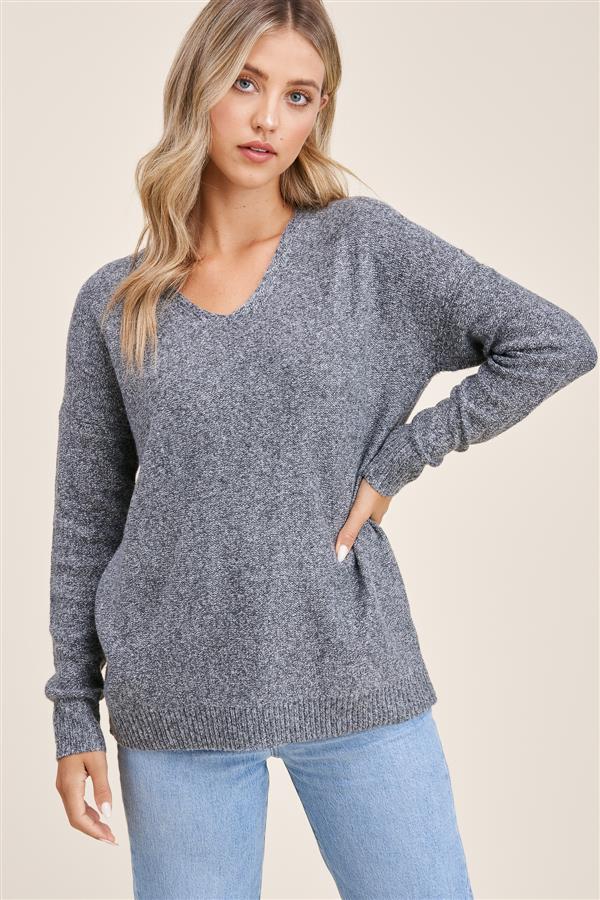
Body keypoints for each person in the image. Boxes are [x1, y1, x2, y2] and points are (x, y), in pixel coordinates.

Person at [44, 1, 597, 898]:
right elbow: (86, 517)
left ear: (319, 112)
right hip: (174, 697)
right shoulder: (117, 301)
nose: (268, 118)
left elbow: (554, 343)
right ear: (197, 86)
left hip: (352, 668)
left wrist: (399, 460)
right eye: (246, 83)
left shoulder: (361, 248)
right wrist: (75, 711)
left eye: (298, 96)